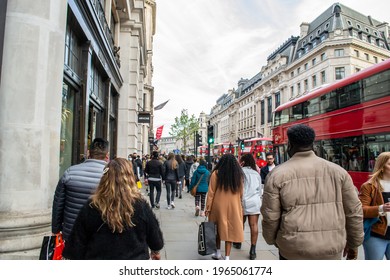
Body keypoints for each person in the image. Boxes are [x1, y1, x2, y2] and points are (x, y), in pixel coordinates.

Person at [261, 124, 363, 260]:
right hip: (331, 247)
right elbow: (354, 211)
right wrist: (354, 243)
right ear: (313, 144)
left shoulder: (277, 175)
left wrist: (272, 240)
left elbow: (270, 216)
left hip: (293, 248)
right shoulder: (339, 172)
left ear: (289, 145)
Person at [62, 158, 164, 259]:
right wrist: (155, 252)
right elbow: (156, 240)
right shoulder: (141, 205)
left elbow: (75, 247)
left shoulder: (92, 206)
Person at [51, 138, 109, 242]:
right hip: (99, 236)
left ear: (88, 153)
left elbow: (58, 203)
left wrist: (56, 229)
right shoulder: (111, 177)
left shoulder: (70, 172)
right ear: (107, 156)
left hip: (71, 234)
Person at [205, 153, 244, 260]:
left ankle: (217, 253)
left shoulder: (216, 174)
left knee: (217, 229)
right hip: (234, 205)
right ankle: (227, 257)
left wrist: (208, 207)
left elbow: (211, 192)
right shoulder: (238, 174)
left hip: (218, 205)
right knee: (230, 230)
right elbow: (241, 193)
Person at [359, 151, 390, 260]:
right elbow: (361, 210)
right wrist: (382, 208)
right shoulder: (369, 186)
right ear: (382, 167)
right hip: (376, 234)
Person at [234, 153, 262, 260]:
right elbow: (259, 190)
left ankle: (238, 242)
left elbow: (237, 188)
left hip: (242, 201)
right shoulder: (256, 174)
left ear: (243, 162)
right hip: (254, 201)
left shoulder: (240, 172)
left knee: (241, 223)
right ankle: (253, 249)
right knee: (254, 225)